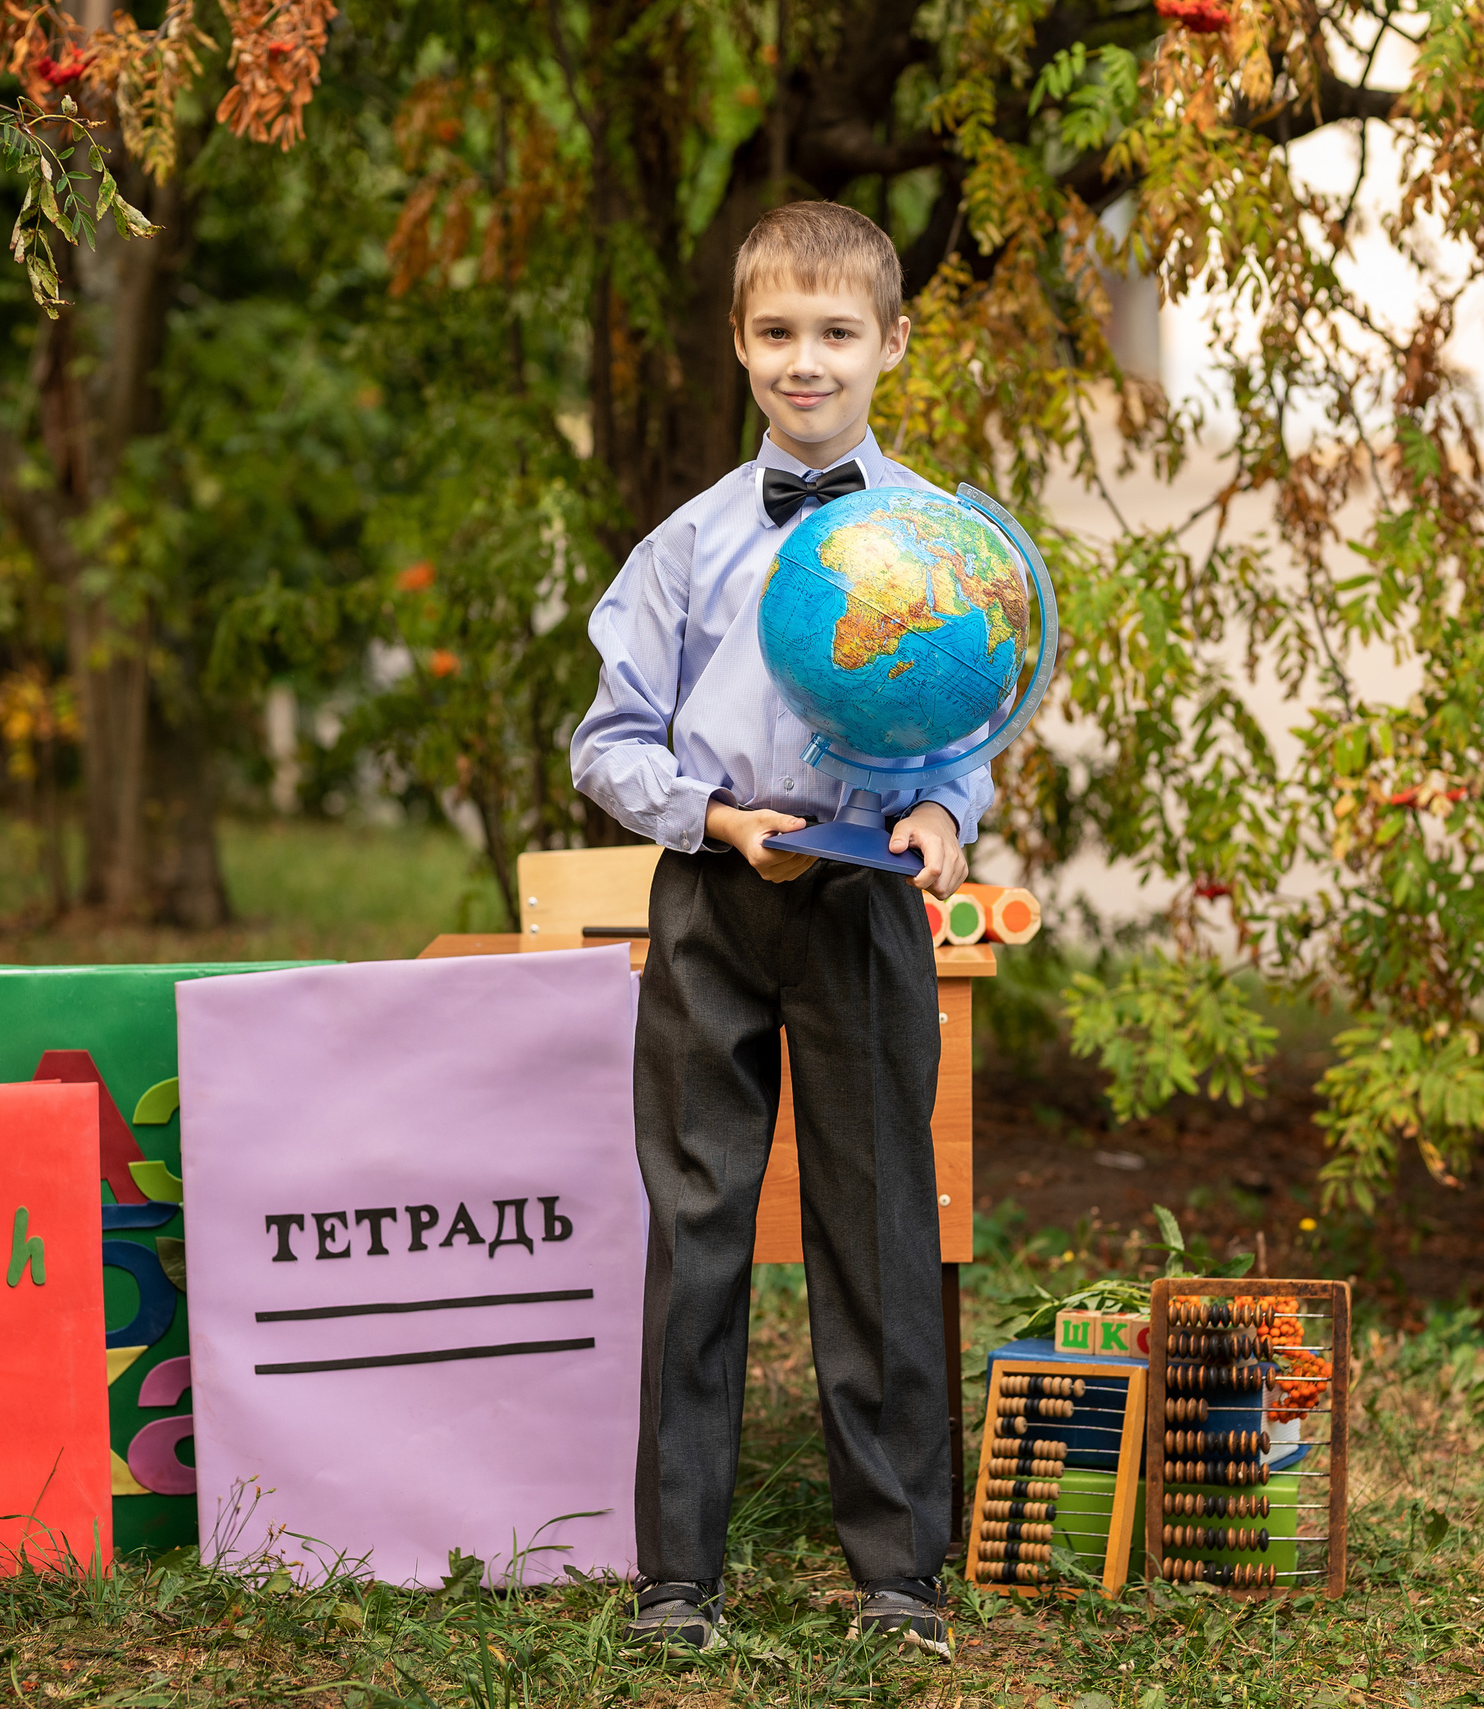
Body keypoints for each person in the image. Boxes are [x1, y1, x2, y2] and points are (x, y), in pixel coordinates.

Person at [570, 200, 987, 1658]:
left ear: (891, 344)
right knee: (696, 1227)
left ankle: (899, 1576)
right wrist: (707, 814)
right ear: (741, 344)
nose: (804, 363)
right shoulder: (685, 546)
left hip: (866, 902)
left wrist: (942, 821)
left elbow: (964, 722)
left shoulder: (939, 539)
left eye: (835, 334)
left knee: (876, 1227)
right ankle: (677, 1570)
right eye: (775, 334)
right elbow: (608, 741)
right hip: (715, 897)